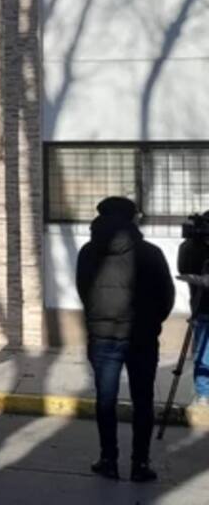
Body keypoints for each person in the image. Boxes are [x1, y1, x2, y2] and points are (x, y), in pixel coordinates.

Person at [76, 196, 174, 483]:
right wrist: (151, 323)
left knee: (106, 401)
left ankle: (108, 460)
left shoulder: (87, 252)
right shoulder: (150, 253)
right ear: (132, 219)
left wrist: (97, 320)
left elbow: (84, 291)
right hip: (141, 338)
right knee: (142, 400)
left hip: (103, 338)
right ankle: (139, 464)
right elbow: (165, 296)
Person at [176, 221, 209, 408]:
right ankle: (203, 394)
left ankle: (203, 395)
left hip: (201, 309)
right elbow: (184, 269)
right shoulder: (191, 248)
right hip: (202, 309)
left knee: (203, 354)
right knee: (204, 355)